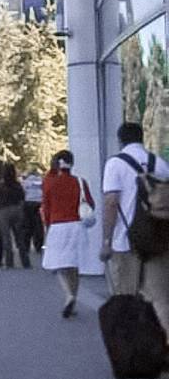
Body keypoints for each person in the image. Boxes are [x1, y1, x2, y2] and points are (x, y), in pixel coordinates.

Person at [100, 122, 169, 337]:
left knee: (126, 299)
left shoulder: (115, 164)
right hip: (158, 239)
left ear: (120, 140)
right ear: (142, 138)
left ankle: (133, 353)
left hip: (125, 240)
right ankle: (164, 348)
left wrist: (106, 241)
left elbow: (111, 202)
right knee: (160, 298)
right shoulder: (160, 164)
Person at [42, 149, 93, 317]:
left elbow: (46, 208)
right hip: (77, 226)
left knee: (57, 265)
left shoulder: (50, 182)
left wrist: (46, 227)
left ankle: (68, 295)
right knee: (73, 265)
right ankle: (74, 297)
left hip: (57, 226)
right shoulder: (80, 182)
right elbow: (90, 204)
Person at [0, 163, 28, 268]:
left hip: (3, 211)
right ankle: (25, 262)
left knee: (6, 239)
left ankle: (9, 262)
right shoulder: (17, 185)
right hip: (17, 210)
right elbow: (23, 197)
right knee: (20, 238)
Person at [21, 167, 44, 254]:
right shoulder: (41, 181)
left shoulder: (26, 181)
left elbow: (23, 192)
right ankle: (38, 245)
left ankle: (26, 245)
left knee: (27, 225)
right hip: (38, 204)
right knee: (38, 225)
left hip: (28, 204)